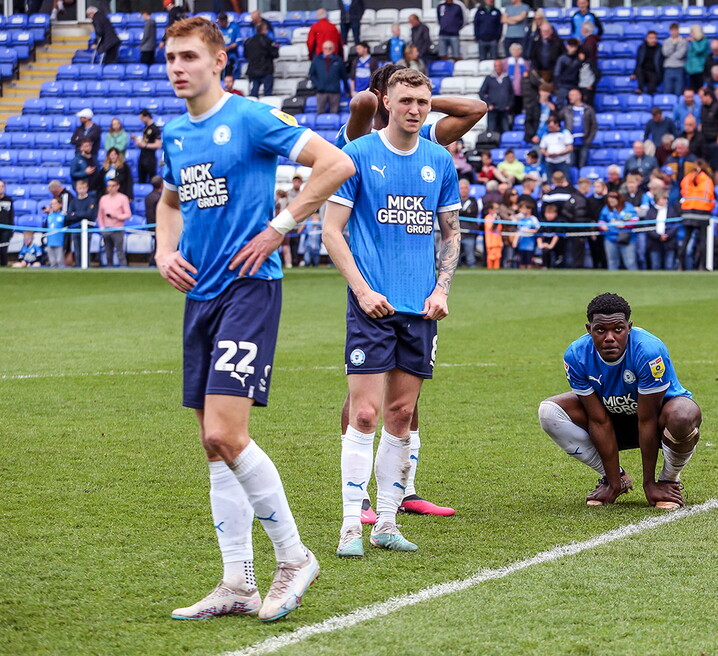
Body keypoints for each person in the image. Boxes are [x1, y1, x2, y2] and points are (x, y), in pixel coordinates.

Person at [157, 16, 354, 621]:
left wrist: (280, 227)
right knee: (212, 446)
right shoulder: (173, 134)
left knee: (225, 433)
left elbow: (335, 164)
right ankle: (237, 583)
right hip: (201, 299)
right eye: (170, 58)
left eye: (189, 56)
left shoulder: (247, 117)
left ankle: (294, 557)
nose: (177, 67)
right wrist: (165, 250)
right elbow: (168, 203)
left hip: (249, 292)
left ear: (219, 62)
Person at [321, 68, 461, 558]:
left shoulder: (439, 160)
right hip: (371, 306)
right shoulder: (358, 153)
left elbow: (449, 234)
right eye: (405, 100)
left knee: (401, 415)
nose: (415, 109)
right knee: (364, 413)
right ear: (387, 101)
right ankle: (348, 527)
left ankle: (385, 523)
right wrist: (361, 290)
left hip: (420, 309)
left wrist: (442, 289)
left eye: (422, 101)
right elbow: (331, 231)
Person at [539, 293, 700, 508]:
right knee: (549, 411)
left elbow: (647, 420)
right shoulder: (576, 355)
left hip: (659, 423)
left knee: (683, 414)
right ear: (589, 330)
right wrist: (614, 481)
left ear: (629, 327)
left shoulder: (648, 351)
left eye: (618, 329)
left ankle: (668, 481)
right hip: (612, 419)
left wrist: (649, 483)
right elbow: (599, 421)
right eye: (600, 330)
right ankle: (616, 478)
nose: (609, 337)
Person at [679, 159, 715, 270]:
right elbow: (710, 196)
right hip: (702, 212)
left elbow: (683, 191)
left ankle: (680, 266)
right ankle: (702, 266)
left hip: (688, 211)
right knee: (703, 240)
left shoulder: (687, 178)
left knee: (686, 239)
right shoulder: (707, 180)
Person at [598, 191, 638, 271]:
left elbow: (635, 220)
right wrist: (602, 226)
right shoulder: (606, 208)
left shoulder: (628, 207)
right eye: (609, 201)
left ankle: (634, 280)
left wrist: (624, 224)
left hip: (626, 239)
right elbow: (601, 220)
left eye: (613, 201)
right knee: (612, 262)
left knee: (630, 262)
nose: (611, 203)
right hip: (610, 238)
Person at [97, 179, 131, 267]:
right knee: (108, 252)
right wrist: (101, 227)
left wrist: (116, 216)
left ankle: (123, 268)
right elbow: (100, 215)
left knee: (120, 251)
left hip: (118, 229)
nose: (110, 188)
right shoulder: (103, 198)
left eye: (112, 186)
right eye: (109, 186)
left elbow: (128, 214)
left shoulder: (123, 198)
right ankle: (109, 269)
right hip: (106, 228)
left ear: (117, 187)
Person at [560, 88, 596, 169]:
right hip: (570, 143)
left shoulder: (588, 109)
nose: (570, 97)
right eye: (569, 95)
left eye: (572, 95)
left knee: (583, 166)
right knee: (571, 165)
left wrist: (589, 140)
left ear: (579, 96)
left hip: (584, 142)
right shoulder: (566, 110)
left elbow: (594, 126)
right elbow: (557, 120)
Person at [309, 40, 347, 115]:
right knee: (320, 114)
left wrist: (347, 90)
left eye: (330, 48)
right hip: (321, 92)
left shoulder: (338, 60)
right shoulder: (316, 60)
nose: (327, 50)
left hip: (335, 92)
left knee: (334, 114)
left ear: (333, 49)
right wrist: (318, 85)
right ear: (322, 49)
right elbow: (312, 75)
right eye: (326, 48)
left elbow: (344, 76)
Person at [645, 189, 680, 270]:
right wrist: (658, 236)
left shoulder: (672, 211)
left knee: (669, 265)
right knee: (655, 265)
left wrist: (667, 235)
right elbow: (648, 226)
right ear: (657, 199)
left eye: (666, 199)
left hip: (669, 241)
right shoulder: (650, 211)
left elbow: (675, 225)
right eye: (663, 198)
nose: (666, 201)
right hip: (654, 242)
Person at [479, 58, 514, 134]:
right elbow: (481, 93)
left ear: (502, 66)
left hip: (504, 109)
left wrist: (509, 105)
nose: (497, 68)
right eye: (496, 66)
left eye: (499, 66)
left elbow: (511, 93)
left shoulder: (507, 78)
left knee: (506, 129)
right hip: (493, 109)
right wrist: (488, 104)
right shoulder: (489, 78)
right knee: (491, 130)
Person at [244, 22, 279, 97]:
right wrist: (276, 48)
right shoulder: (267, 41)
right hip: (266, 70)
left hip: (253, 71)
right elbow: (275, 54)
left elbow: (245, 55)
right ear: (264, 30)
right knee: (267, 94)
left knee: (254, 93)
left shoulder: (249, 42)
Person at [540, 115, 573, 182]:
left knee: (565, 181)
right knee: (549, 181)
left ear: (557, 124)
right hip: (550, 162)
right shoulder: (546, 134)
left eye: (551, 126)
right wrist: (546, 153)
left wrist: (559, 153)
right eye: (548, 126)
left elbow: (570, 147)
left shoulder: (565, 133)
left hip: (562, 161)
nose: (550, 128)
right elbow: (542, 148)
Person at [134, 110, 162, 185]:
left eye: (142, 118)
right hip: (142, 156)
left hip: (150, 158)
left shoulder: (155, 129)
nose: (141, 120)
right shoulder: (146, 128)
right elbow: (146, 140)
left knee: (152, 180)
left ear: (146, 117)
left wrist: (145, 145)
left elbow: (158, 145)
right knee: (141, 179)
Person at [511, 197, 541, 269]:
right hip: (521, 243)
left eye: (524, 208)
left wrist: (529, 231)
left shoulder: (533, 219)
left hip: (530, 244)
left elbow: (537, 229)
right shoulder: (521, 218)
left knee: (529, 261)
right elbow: (517, 228)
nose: (522, 210)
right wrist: (515, 241)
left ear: (529, 209)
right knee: (521, 262)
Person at [632, 31, 663, 96]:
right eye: (651, 38)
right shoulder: (642, 47)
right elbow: (638, 61)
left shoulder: (660, 48)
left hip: (654, 71)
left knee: (651, 87)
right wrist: (634, 73)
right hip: (644, 71)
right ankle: (640, 89)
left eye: (654, 38)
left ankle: (649, 94)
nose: (653, 40)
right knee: (639, 70)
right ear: (647, 39)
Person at [553, 38, 582, 106]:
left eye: (574, 46)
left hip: (575, 85)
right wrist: (558, 85)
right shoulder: (562, 59)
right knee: (560, 103)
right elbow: (557, 73)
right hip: (563, 85)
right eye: (570, 46)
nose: (572, 48)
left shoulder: (579, 59)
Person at [661, 24, 687, 97]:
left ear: (678, 31)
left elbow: (680, 54)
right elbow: (665, 53)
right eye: (672, 30)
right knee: (667, 90)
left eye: (675, 30)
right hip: (668, 68)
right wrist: (673, 45)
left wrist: (671, 55)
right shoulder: (666, 41)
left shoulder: (683, 41)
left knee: (679, 91)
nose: (674, 32)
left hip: (679, 68)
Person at [43, 197, 66, 268]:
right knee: (52, 262)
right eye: (52, 204)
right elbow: (45, 227)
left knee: (60, 261)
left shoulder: (63, 215)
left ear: (60, 205)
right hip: (50, 241)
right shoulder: (49, 215)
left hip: (59, 242)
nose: (53, 205)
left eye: (55, 203)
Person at [685, 25, 709, 91]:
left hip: (700, 70)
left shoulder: (704, 41)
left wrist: (693, 41)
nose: (690, 34)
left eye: (692, 32)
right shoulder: (692, 43)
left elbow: (699, 50)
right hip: (691, 71)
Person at [218, 13, 242, 77]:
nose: (220, 23)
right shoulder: (218, 29)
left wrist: (228, 47)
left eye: (221, 21)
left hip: (232, 54)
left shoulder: (234, 27)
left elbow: (238, 41)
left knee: (230, 67)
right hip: (221, 53)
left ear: (225, 21)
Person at [0, 180, 12, 267]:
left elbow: (11, 215)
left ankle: (4, 267)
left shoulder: (9, 200)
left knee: (3, 250)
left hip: (5, 229)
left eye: (2, 186)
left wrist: (11, 229)